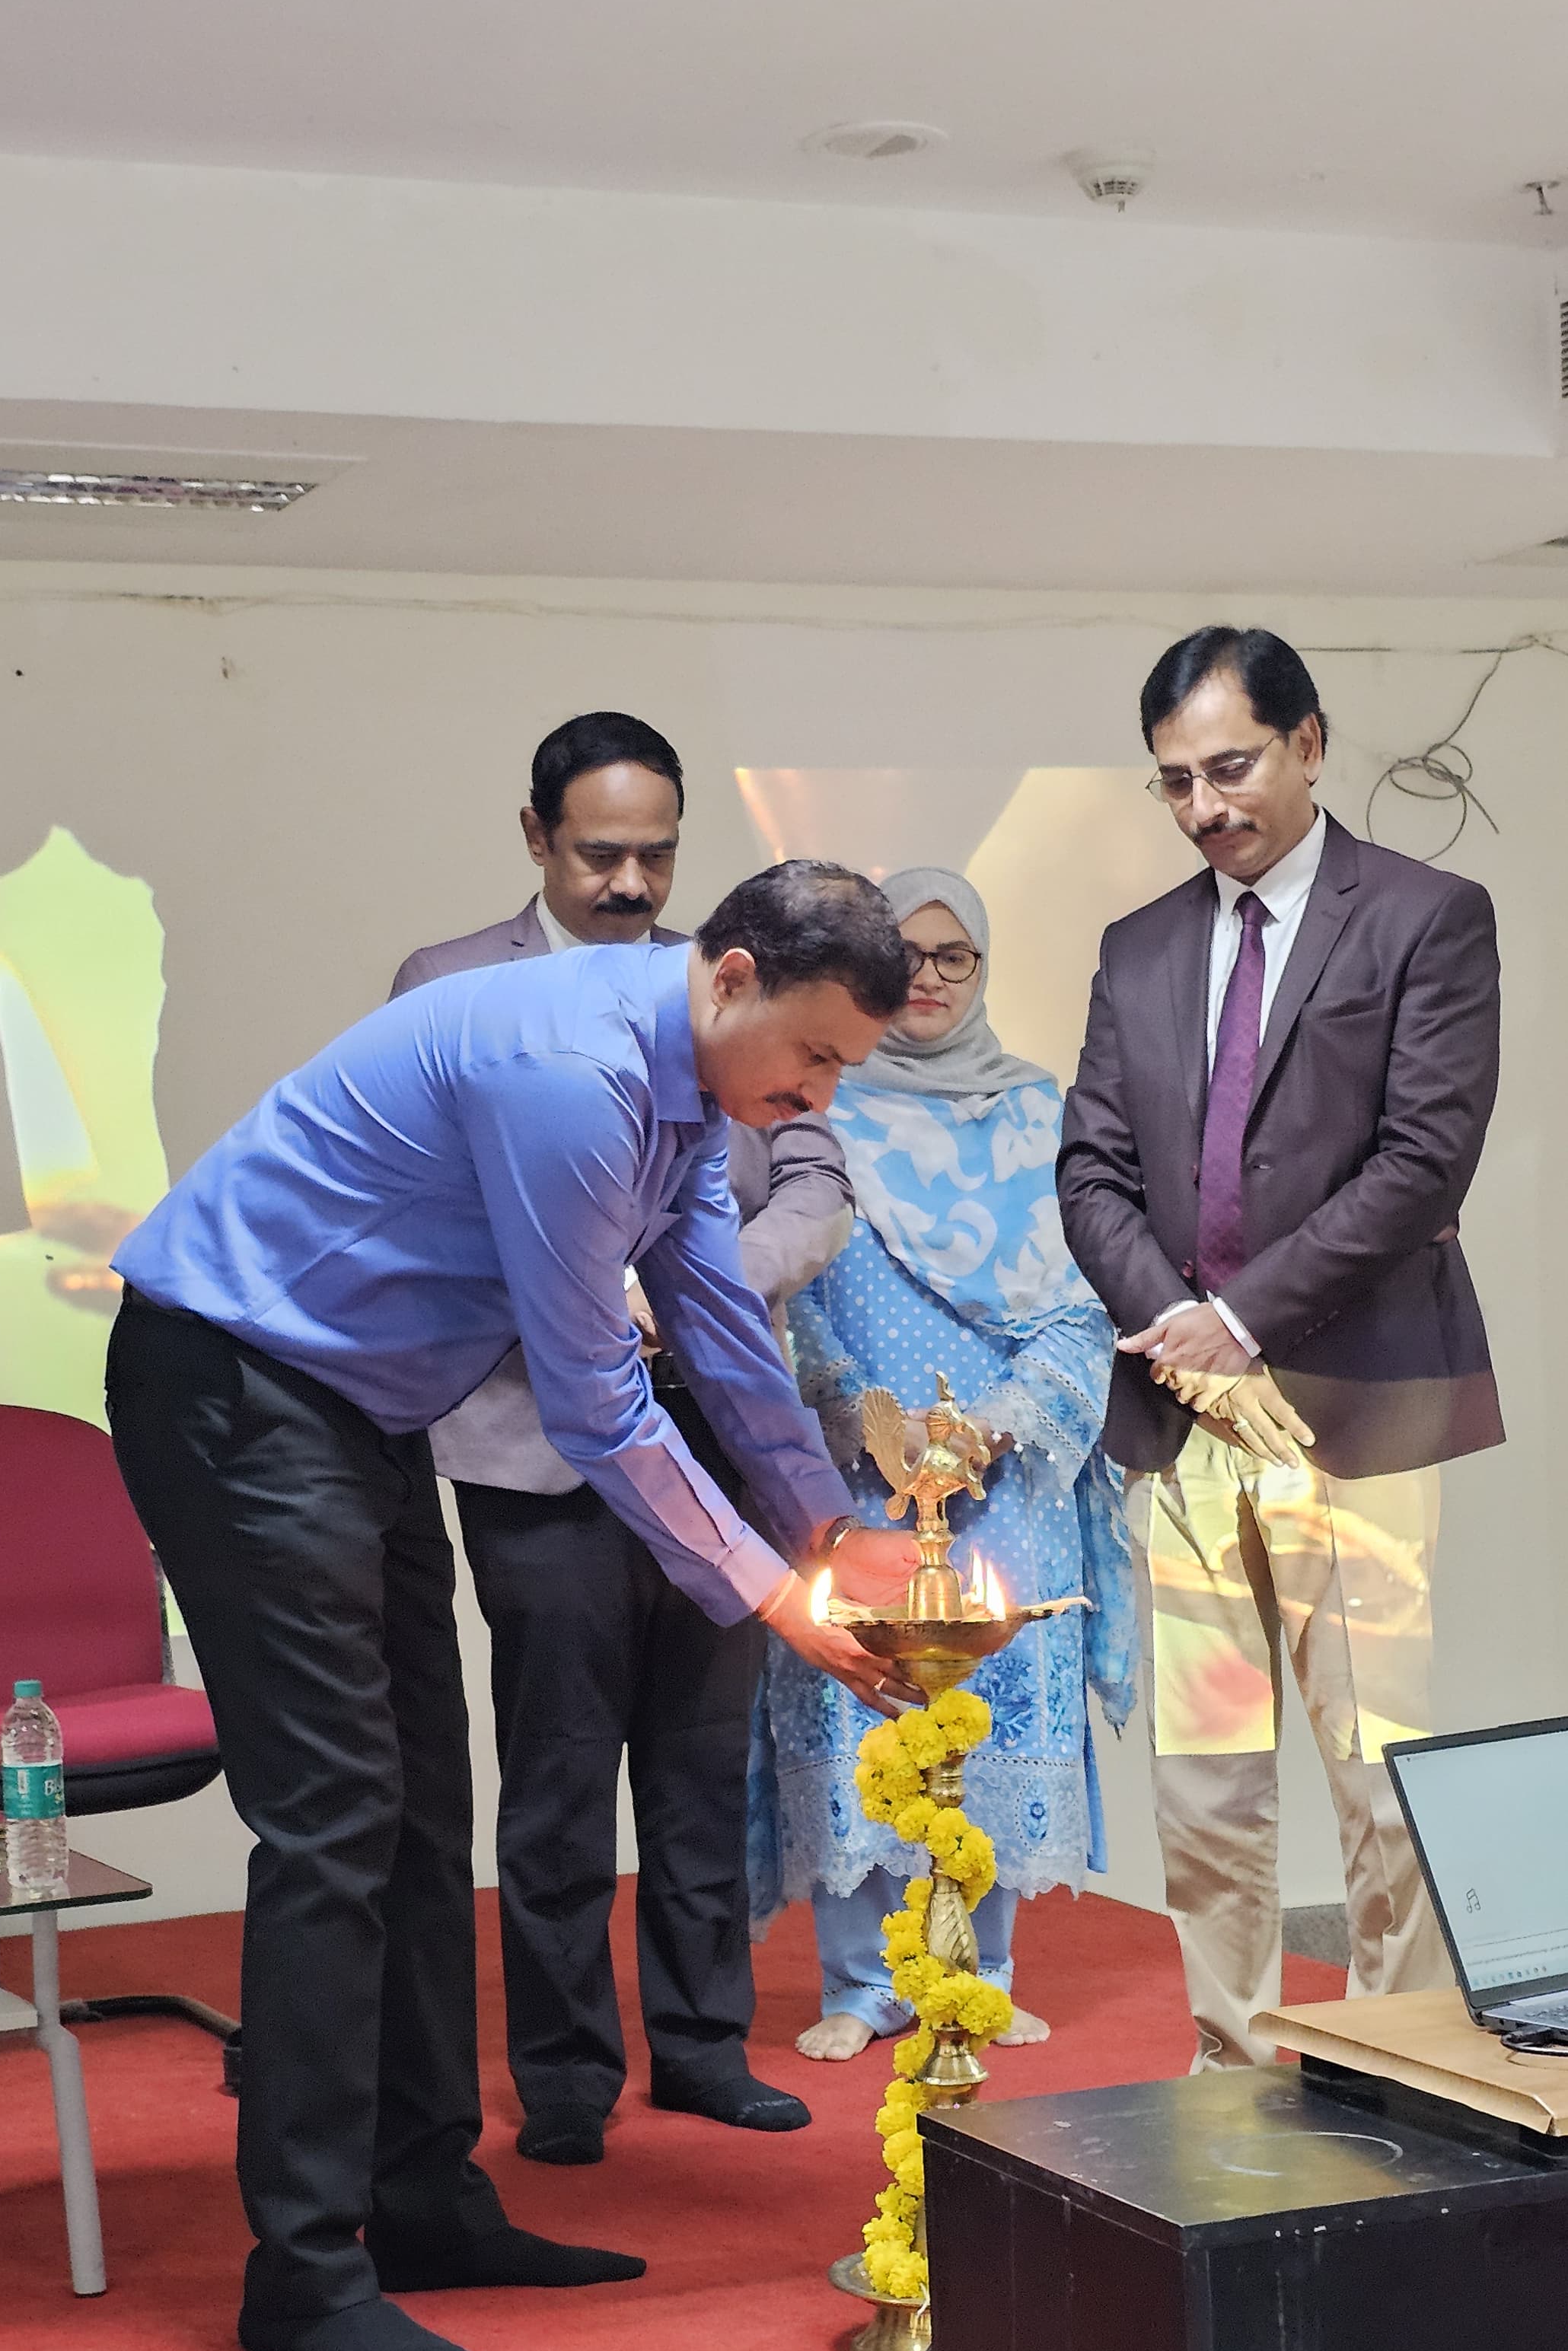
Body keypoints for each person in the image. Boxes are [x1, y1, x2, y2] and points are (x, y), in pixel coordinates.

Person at [106, 862, 920, 2351]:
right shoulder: (571, 1073)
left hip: (354, 1410)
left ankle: (419, 2199)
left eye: (842, 1072)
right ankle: (302, 2267)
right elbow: (595, 1396)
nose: (818, 1096)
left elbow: (714, 1316)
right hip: (234, 1386)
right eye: (814, 1055)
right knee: (335, 1820)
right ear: (732, 976)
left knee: (424, 1808)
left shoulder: (687, 1082)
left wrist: (829, 1528)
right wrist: (771, 1594)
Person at [393, 712, 855, 2164]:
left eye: (658, 853)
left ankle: (705, 2044)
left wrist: (695, 1287)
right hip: (539, 1442)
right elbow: (463, 1224)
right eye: (602, 853)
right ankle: (566, 2071)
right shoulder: (455, 984)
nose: (633, 882)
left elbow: (812, 1183)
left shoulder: (726, 986)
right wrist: (605, 1293)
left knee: (704, 1760)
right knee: (559, 1766)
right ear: (536, 837)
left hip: (716, 1425)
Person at [1057, 625, 1503, 2069]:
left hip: (1352, 1409)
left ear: (1309, 744)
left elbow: (1424, 1162)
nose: (1205, 806)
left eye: (1231, 767)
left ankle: (1398, 2067)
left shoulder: (1428, 915)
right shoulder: (1139, 948)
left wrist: (1241, 1320)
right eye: (1175, 781)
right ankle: (1231, 2072)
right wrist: (1188, 1342)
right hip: (1187, 1419)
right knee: (1206, 1776)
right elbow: (1091, 1172)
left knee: (1376, 1771)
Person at [751, 868, 1136, 2061]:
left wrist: (998, 1425)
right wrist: (861, 1416)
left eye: (952, 956)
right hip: (859, 1469)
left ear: (981, 967)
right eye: (905, 956)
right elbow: (795, 1294)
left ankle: (982, 1970)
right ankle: (864, 1982)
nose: (928, 979)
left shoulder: (1042, 1113)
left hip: (1007, 1475)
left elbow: (1084, 1297)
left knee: (991, 1704)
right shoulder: (822, 1104)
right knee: (858, 1698)